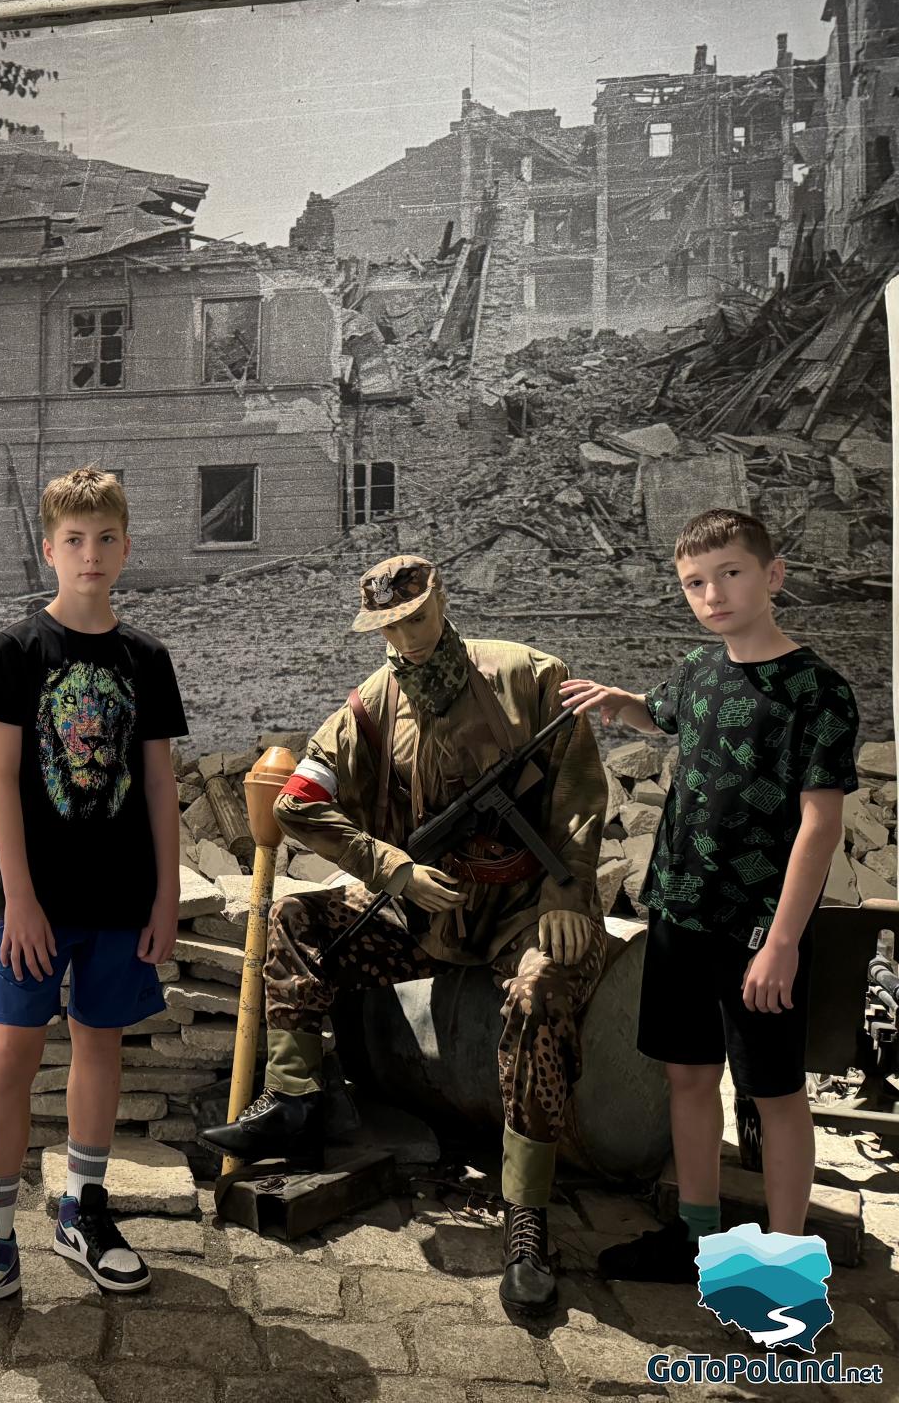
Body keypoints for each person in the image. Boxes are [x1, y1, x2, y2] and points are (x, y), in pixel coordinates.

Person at [198, 555, 607, 1316]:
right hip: (426, 913)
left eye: (415, 618)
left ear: (441, 600)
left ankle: (526, 1214)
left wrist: (566, 891)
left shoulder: (526, 677)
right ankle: (294, 1100)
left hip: (522, 912)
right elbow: (298, 802)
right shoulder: (368, 709)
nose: (406, 639)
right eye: (387, 627)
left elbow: (581, 791)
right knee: (298, 922)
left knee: (540, 992)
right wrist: (386, 867)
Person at [0, 466, 187, 1335]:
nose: (91, 555)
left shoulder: (147, 659)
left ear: (126, 548)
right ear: (49, 550)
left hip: (120, 899)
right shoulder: (20, 649)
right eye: (74, 540)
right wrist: (18, 900)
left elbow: (159, 785)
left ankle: (83, 1209)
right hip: (34, 905)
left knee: (100, 1050)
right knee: (9, 1061)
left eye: (106, 539)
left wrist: (167, 895)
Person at [562, 509, 857, 1281]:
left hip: (761, 930)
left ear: (772, 575)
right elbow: (654, 714)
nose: (713, 593)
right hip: (680, 913)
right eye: (696, 582)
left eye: (730, 573)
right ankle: (698, 1238)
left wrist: (783, 941)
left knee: (775, 1093)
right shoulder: (697, 673)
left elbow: (820, 826)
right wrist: (613, 699)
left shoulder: (817, 691)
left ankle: (786, 1268)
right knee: (687, 1077)